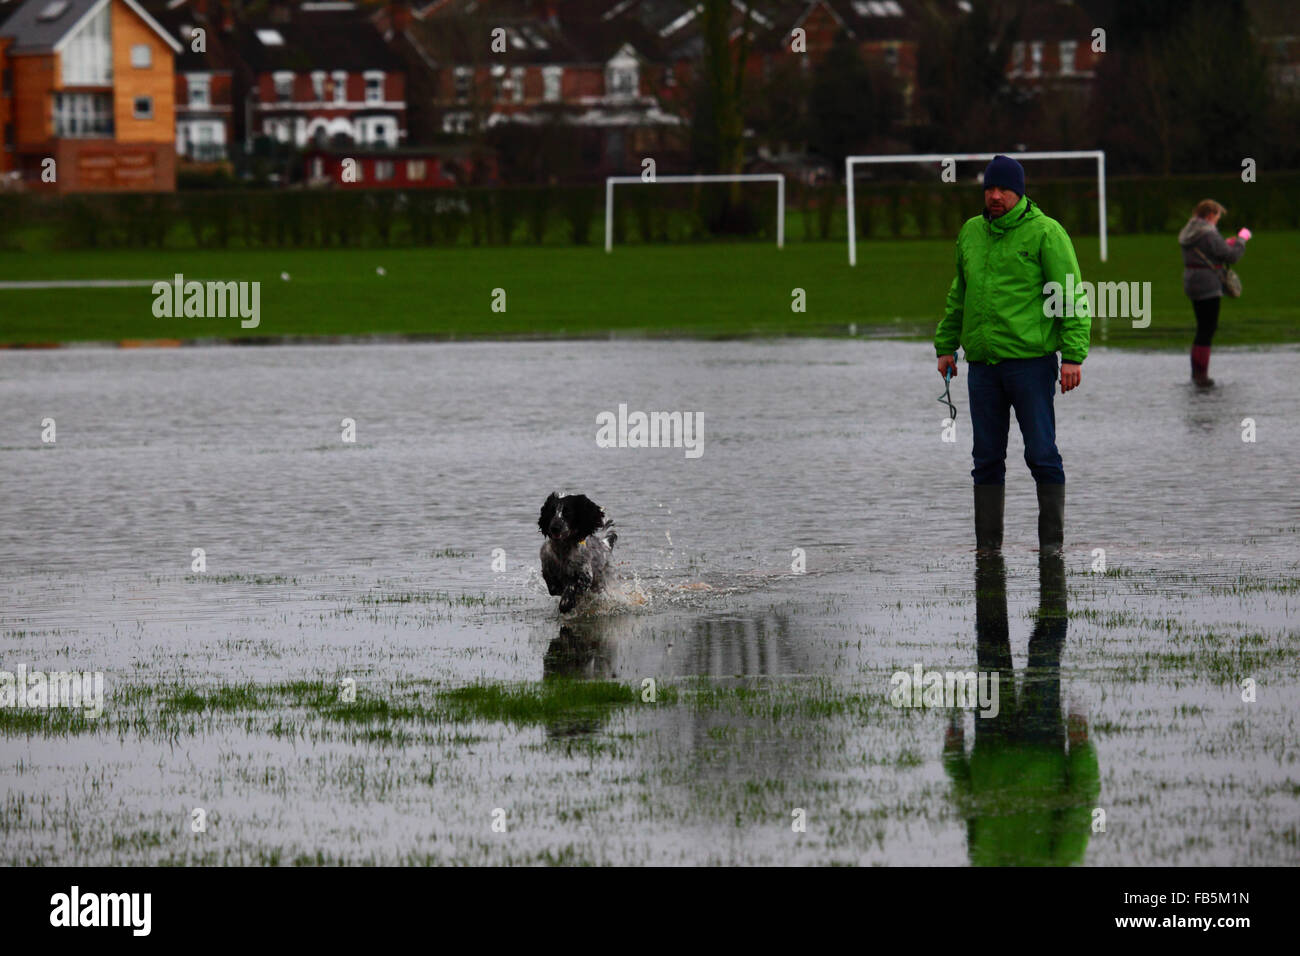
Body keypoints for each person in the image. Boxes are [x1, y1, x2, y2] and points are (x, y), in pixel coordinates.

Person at [934, 155, 1091, 553]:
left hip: (1030, 365)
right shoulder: (971, 232)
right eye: (989, 189)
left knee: (1041, 453)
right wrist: (946, 345)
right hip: (983, 368)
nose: (995, 196)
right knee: (985, 457)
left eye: (1004, 189)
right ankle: (988, 548)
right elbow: (960, 293)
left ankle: (1052, 546)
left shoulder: (1046, 233)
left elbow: (1071, 295)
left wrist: (1073, 356)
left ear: (1020, 192)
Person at [1178, 199, 1247, 387]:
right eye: (1217, 217)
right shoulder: (1208, 233)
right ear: (1209, 215)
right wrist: (1241, 241)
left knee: (1202, 327)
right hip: (1208, 283)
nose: (1217, 221)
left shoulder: (1189, 231)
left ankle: (1196, 373)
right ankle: (1201, 375)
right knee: (1208, 328)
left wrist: (1225, 243)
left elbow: (1211, 249)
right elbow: (1231, 256)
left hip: (1192, 281)